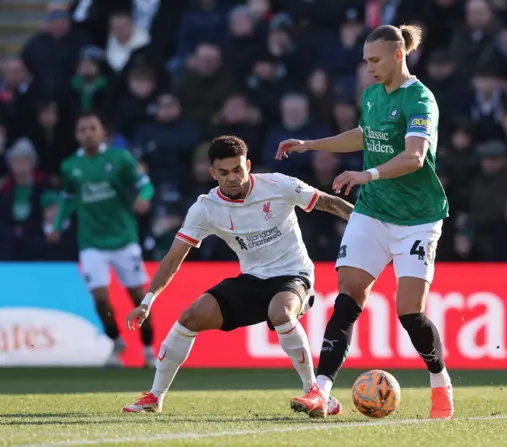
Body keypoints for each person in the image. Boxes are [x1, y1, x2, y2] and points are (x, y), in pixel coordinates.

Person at [277, 24, 454, 419]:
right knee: (349, 293)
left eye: (374, 60)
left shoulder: (420, 99)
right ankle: (320, 391)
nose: (368, 68)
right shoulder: (372, 94)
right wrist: (309, 144)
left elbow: (415, 157)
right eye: (364, 60)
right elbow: (364, 135)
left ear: (398, 55)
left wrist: (366, 174)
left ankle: (440, 381)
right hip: (373, 210)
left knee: (409, 311)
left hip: (417, 219)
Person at [122, 135, 354, 414]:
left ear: (248, 166)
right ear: (213, 174)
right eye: (224, 173)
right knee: (189, 318)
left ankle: (315, 393)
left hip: (294, 274)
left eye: (238, 170)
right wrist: (147, 301)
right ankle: (155, 397)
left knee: (281, 312)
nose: (232, 178)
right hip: (252, 279)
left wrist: (369, 229)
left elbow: (330, 203)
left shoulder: (278, 185)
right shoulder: (205, 208)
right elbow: (173, 257)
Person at [48, 111, 156, 367]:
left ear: (102, 132)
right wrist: (56, 225)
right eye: (82, 130)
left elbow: (146, 184)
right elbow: (67, 199)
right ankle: (115, 340)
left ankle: (149, 348)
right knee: (99, 296)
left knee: (138, 296)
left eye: (92, 128)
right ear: (76, 136)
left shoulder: (120, 159)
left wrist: (144, 197)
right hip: (91, 241)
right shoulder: (70, 167)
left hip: (123, 238)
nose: (87, 133)